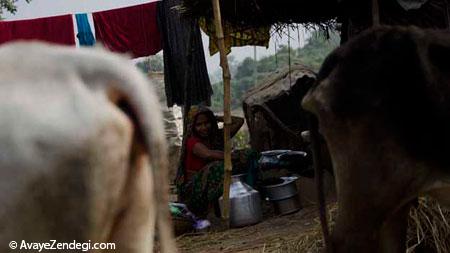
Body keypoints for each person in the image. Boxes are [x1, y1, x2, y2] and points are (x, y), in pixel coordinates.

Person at [175, 106, 246, 218]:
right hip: (194, 192)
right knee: (216, 167)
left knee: (248, 155)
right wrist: (231, 156)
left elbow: (239, 121)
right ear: (193, 126)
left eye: (207, 123)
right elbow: (208, 154)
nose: (204, 127)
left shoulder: (216, 136)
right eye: (199, 125)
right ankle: (210, 212)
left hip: (210, 185)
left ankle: (245, 198)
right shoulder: (191, 141)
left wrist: (216, 118)